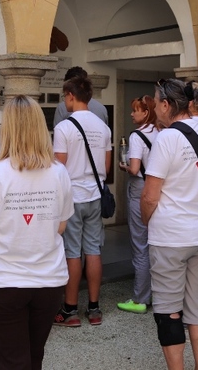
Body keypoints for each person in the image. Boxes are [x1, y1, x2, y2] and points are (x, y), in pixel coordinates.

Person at [0, 95, 73, 369]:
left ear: (7, 129)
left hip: (4, 281)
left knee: (13, 361)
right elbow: (61, 225)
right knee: (33, 355)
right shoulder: (59, 172)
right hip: (49, 281)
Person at [141, 79, 198, 370]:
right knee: (197, 308)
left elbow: (150, 195)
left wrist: (148, 222)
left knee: (168, 312)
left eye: (156, 101)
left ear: (165, 105)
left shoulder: (167, 138)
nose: (154, 107)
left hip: (171, 235)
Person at [53, 76, 111, 327]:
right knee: (94, 250)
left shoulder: (64, 128)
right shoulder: (103, 127)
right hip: (95, 194)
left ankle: (70, 309)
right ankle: (95, 308)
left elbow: (59, 167)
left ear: (70, 95)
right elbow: (106, 168)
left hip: (73, 196)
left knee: (72, 253)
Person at [117, 95, 158, 314]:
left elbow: (134, 169)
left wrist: (122, 165)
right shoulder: (161, 132)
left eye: (136, 110)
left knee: (140, 243)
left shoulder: (137, 136)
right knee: (155, 242)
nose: (132, 113)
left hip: (139, 187)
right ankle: (157, 293)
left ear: (146, 112)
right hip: (157, 187)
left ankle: (141, 298)